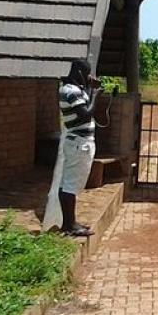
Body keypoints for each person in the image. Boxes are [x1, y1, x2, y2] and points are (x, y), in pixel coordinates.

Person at [50, 59, 102, 236]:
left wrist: (88, 88)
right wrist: (96, 95)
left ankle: (69, 222)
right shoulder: (71, 92)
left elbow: (82, 108)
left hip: (78, 142)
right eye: (86, 74)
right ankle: (70, 225)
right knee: (70, 185)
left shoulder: (72, 90)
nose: (88, 77)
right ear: (79, 72)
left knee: (68, 184)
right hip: (79, 143)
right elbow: (86, 115)